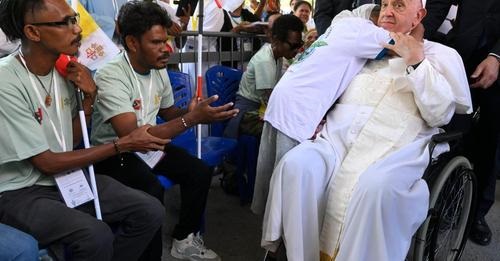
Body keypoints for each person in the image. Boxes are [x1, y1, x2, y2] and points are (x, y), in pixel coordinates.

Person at [259, 0, 473, 260]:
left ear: (419, 16)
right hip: (337, 141)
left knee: (376, 188)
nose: (387, 12)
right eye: (384, 5)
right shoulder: (366, 46)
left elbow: (441, 113)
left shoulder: (441, 55)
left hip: (396, 150)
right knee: (296, 166)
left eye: (398, 6)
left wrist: (416, 62)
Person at [0, 0, 169, 260]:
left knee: (150, 210)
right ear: (33, 32)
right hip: (18, 191)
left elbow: (69, 139)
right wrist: (120, 145)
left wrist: (89, 100)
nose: (78, 29)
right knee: (95, 234)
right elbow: (47, 162)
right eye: (64, 23)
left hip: (62, 179)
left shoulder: (66, 73)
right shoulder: (6, 81)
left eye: (75, 19)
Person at [90, 2, 238, 260]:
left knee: (199, 171)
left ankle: (183, 239)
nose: (166, 48)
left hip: (150, 146)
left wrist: (194, 111)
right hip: (116, 152)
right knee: (151, 191)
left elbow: (170, 114)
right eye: (156, 42)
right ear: (133, 43)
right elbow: (132, 136)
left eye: (166, 40)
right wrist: (191, 120)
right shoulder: (110, 75)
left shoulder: (158, 69)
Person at [252, 3, 389, 214]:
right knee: (286, 178)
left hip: (283, 97)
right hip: (297, 107)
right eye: (386, 12)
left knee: (270, 168)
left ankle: (265, 219)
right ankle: (278, 231)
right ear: (372, 18)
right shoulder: (362, 29)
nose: (389, 18)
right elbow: (396, 45)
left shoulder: (338, 27)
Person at [423, 0, 500, 246]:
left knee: (492, 141)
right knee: (452, 131)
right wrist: (417, 32)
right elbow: (437, 6)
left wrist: (497, 56)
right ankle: (446, 200)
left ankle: (477, 214)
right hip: (463, 55)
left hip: (497, 61)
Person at [223, 14, 304, 139]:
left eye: (300, 45)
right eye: (293, 46)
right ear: (276, 40)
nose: (297, 50)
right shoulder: (265, 60)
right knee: (286, 132)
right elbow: (271, 101)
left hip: (260, 108)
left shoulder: (278, 55)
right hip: (247, 115)